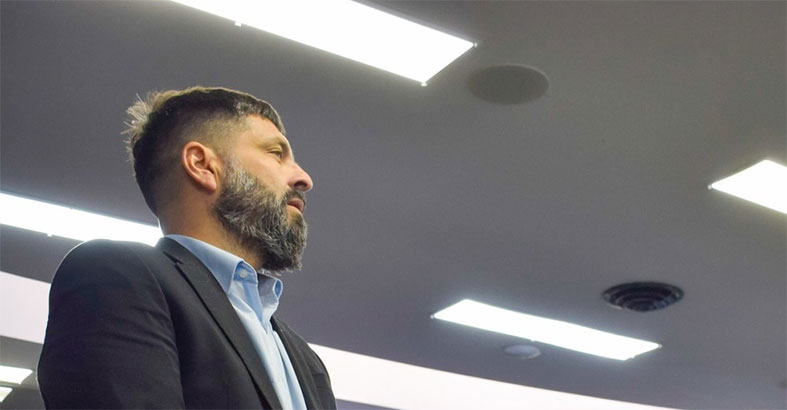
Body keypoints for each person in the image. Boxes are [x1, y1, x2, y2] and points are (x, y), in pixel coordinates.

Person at [37, 86, 337, 409]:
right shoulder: (112, 278)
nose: (304, 178)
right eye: (276, 153)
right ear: (202, 165)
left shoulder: (306, 362)